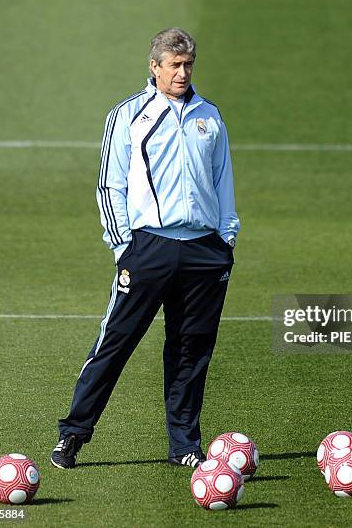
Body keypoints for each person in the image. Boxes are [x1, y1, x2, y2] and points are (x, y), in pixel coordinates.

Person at [51, 28, 239, 469]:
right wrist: (123, 248)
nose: (182, 72)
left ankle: (185, 447)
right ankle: (73, 435)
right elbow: (109, 185)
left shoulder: (209, 116)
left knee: (191, 351)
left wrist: (226, 239)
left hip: (203, 252)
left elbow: (222, 181)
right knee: (115, 344)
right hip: (148, 249)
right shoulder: (128, 115)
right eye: (173, 65)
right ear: (153, 67)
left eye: (188, 64)